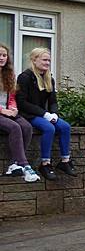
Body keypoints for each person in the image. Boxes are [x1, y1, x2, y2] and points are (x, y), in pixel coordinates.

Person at [15, 48, 73, 180]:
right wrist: (45, 114)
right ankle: (45, 163)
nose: (47, 63)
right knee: (49, 128)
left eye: (49, 60)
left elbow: (53, 101)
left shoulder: (49, 78)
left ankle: (65, 161)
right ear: (34, 60)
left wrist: (54, 113)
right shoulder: (25, 77)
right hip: (29, 114)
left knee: (65, 127)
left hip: (44, 114)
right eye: (44, 60)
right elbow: (22, 102)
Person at [1, 44, 38, 182]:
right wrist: (2, 110)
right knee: (15, 127)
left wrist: (13, 108)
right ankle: (25, 165)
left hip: (7, 111)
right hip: (1, 112)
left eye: (4, 55)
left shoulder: (9, 75)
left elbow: (11, 97)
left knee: (27, 127)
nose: (2, 58)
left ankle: (14, 163)